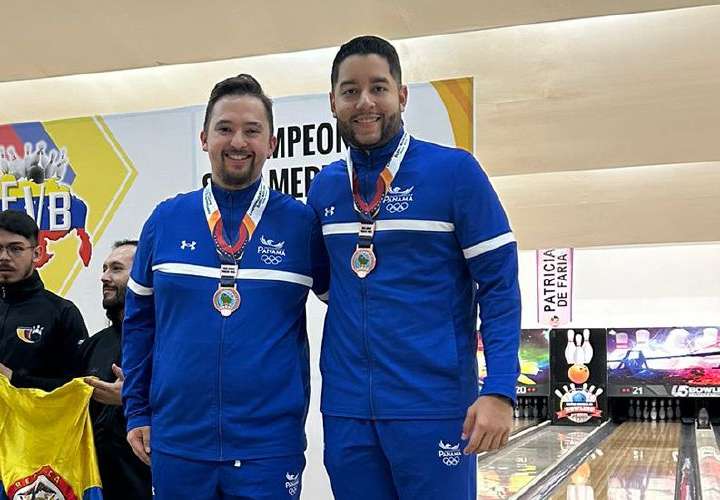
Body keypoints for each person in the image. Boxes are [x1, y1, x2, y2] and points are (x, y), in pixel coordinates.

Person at [306, 35, 521, 499]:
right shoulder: (324, 189)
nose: (365, 102)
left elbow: (499, 286)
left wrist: (500, 388)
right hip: (347, 412)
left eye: (378, 88)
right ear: (333, 102)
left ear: (402, 95)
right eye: (350, 90)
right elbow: (331, 288)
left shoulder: (455, 172)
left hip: (435, 407)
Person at [122, 74, 328, 499]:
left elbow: (352, 310)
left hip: (268, 449)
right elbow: (139, 324)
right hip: (179, 444)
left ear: (271, 143)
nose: (238, 141)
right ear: (204, 138)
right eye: (225, 128)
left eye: (252, 131)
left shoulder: (301, 224)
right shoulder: (165, 220)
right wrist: (136, 409)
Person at [79, 240, 152, 500]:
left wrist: (132, 398)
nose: (104, 277)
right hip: (100, 485)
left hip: (151, 483)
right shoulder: (94, 344)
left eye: (116, 269)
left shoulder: (167, 340)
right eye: (104, 268)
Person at [0, 210, 88, 391]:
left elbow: (79, 388)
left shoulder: (62, 312)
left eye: (15, 248)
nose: (4, 257)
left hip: (34, 418)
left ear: (37, 253)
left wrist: (14, 379)